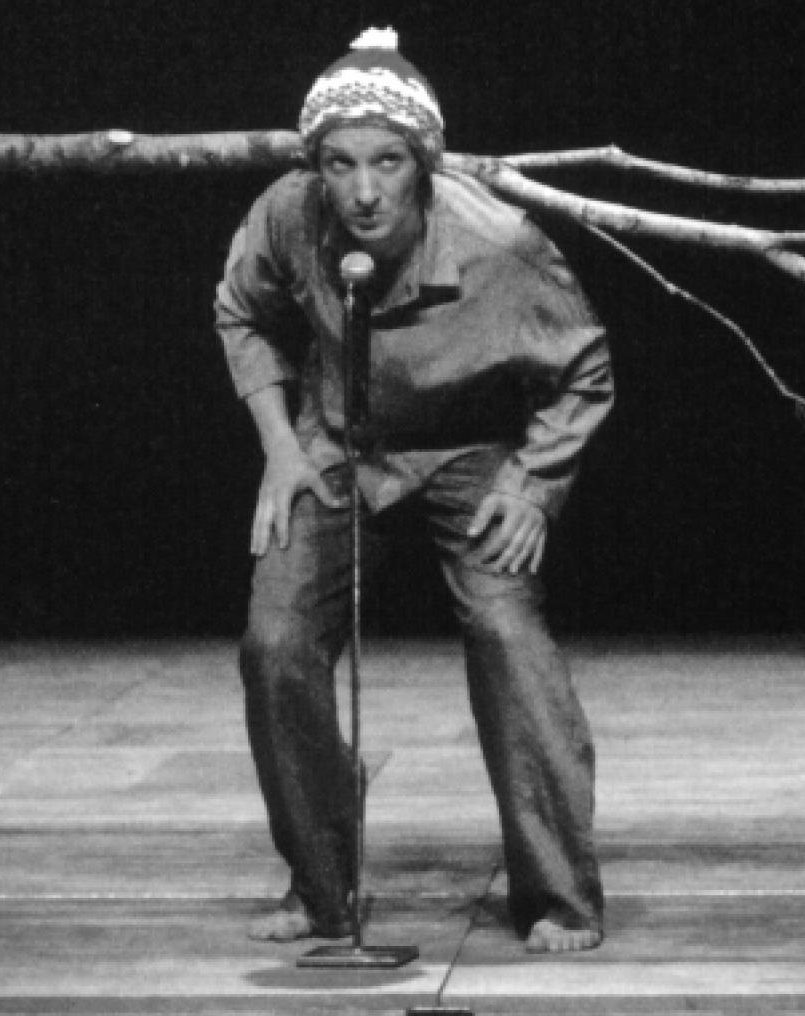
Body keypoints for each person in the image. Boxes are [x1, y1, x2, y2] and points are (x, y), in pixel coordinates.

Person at [214, 28, 613, 953]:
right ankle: (323, 881)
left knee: (507, 633)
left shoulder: (498, 245)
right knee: (275, 642)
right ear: (316, 167)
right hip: (339, 440)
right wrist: (280, 444)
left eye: (387, 162)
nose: (363, 191)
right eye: (340, 164)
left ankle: (558, 894)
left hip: (470, 449)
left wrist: (534, 482)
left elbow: (585, 368)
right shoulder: (289, 216)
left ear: (423, 162)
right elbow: (241, 310)